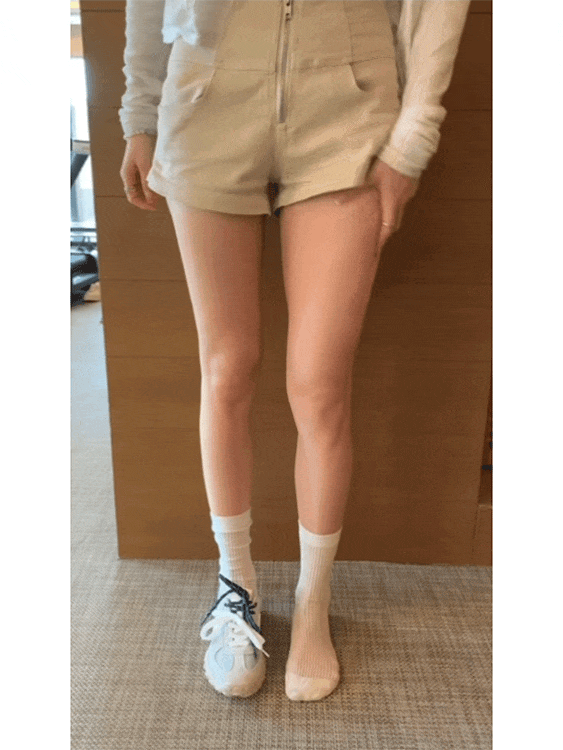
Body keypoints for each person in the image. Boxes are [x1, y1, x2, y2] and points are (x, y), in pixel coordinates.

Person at [118, 0, 471, 702]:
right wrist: (140, 111)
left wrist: (412, 137)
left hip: (348, 106)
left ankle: (313, 598)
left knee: (319, 384)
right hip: (206, 96)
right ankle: (236, 585)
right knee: (227, 368)